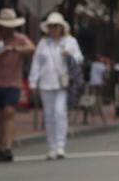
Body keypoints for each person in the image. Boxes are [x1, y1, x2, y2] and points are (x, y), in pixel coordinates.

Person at [0, 8, 35, 163]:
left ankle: (8, 147)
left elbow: (32, 48)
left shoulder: (20, 38)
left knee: (9, 112)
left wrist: (14, 49)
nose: (8, 28)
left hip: (13, 82)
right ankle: (0, 148)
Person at [29, 11, 83, 160]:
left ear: (61, 27)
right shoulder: (43, 43)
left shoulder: (70, 41)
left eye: (56, 26)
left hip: (63, 83)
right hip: (46, 83)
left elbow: (79, 59)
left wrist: (69, 55)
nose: (53, 29)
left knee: (60, 112)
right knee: (49, 115)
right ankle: (51, 146)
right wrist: (33, 81)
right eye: (51, 26)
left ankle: (60, 145)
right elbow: (37, 63)